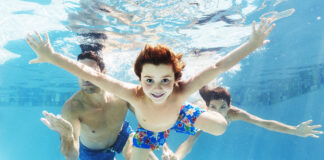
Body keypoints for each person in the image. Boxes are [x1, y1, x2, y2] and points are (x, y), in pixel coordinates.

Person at [27, 20, 275, 160]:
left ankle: (193, 115)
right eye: (149, 81)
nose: (157, 89)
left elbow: (218, 65)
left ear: (176, 78)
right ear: (139, 78)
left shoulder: (182, 89)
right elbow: (89, 74)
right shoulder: (130, 93)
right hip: (148, 132)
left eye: (165, 81)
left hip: (179, 115)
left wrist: (251, 44)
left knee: (220, 126)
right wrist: (52, 56)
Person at [41, 51, 158, 160]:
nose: (85, 77)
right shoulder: (73, 108)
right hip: (93, 152)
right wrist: (67, 136)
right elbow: (72, 156)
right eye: (79, 72)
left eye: (90, 72)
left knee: (140, 155)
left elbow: (148, 119)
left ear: (104, 72)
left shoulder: (121, 93)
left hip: (122, 135)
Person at [161, 86, 324, 160]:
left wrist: (295, 130)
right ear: (208, 106)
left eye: (222, 107)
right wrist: (176, 157)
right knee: (192, 132)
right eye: (213, 108)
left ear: (229, 107)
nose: (217, 112)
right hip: (190, 108)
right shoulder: (202, 113)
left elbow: (265, 123)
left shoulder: (235, 113)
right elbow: (191, 139)